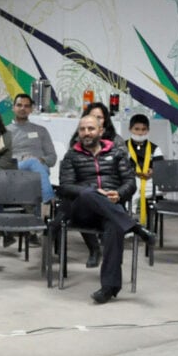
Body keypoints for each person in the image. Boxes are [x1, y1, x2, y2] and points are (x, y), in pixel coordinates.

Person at [57, 115, 156, 304]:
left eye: (91, 129)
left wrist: (118, 194)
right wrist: (94, 191)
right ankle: (135, 227)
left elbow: (130, 182)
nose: (86, 133)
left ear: (101, 131)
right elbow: (66, 187)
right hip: (82, 211)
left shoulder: (117, 153)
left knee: (114, 225)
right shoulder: (72, 155)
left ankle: (109, 288)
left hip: (110, 210)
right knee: (87, 193)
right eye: (82, 129)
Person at [69, 102, 120, 267]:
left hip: (110, 192)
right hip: (87, 193)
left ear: (104, 122)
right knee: (86, 197)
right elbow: (70, 178)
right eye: (91, 117)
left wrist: (116, 192)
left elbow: (125, 174)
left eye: (99, 117)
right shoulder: (77, 142)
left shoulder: (117, 143)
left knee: (110, 217)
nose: (94, 120)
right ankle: (94, 249)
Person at [6, 93, 57, 203]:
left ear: (31, 109)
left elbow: (52, 158)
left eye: (26, 106)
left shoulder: (41, 130)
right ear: (13, 108)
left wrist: (41, 159)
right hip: (16, 168)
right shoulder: (5, 132)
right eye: (19, 105)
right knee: (32, 163)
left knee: (35, 164)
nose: (22, 108)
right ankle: (49, 201)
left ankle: (43, 207)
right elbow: (2, 160)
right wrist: (22, 160)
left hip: (38, 169)